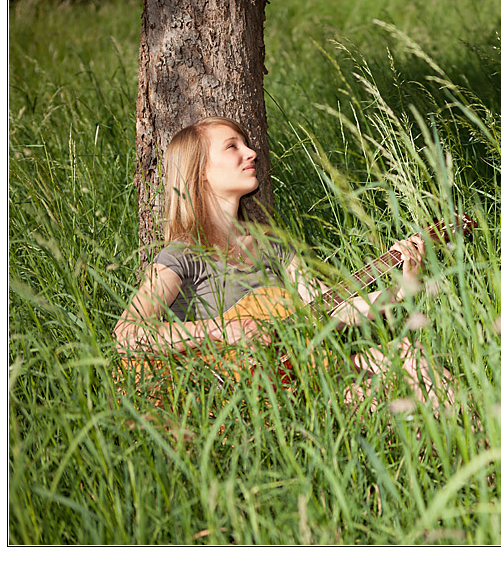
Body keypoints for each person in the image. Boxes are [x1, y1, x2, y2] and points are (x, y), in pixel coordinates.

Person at [114, 116, 453, 410]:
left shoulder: (271, 245)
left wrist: (405, 282)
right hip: (228, 396)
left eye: (246, 145)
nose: (251, 153)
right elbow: (127, 334)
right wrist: (219, 330)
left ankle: (486, 452)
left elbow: (339, 308)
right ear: (200, 171)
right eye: (232, 147)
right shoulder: (182, 255)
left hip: (302, 378)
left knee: (408, 353)